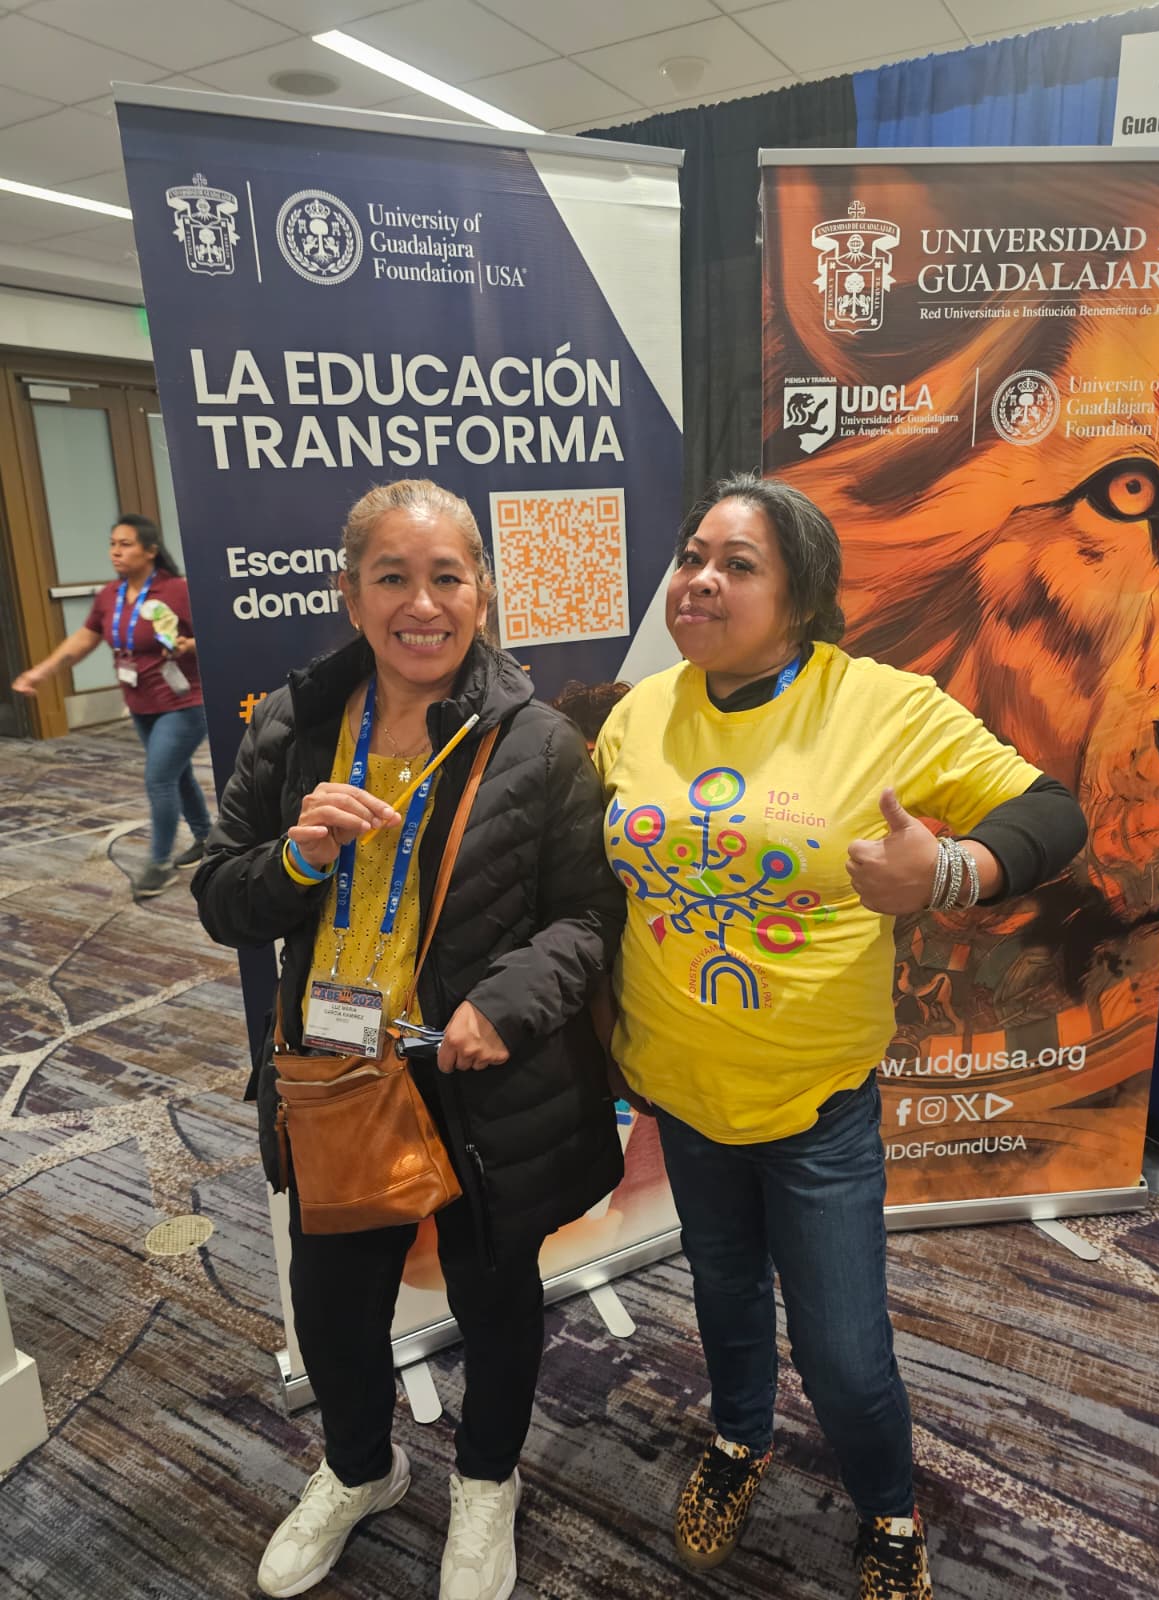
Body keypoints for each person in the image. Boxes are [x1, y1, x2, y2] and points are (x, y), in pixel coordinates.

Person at [593, 474, 1087, 1600]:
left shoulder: (878, 706)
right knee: (724, 1301)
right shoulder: (640, 710)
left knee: (847, 1357)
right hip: (680, 1092)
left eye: (737, 564)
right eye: (691, 556)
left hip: (815, 1108)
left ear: (804, 598)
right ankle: (739, 1440)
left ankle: (889, 1512)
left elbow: (1053, 810)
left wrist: (950, 871)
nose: (699, 580)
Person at [191, 478, 624, 1600]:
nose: (421, 604)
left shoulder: (538, 743)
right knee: (335, 1309)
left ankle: (486, 1483)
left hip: (479, 1083)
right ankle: (359, 1469)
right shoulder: (294, 727)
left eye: (446, 578)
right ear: (351, 594)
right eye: (393, 577)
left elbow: (588, 917)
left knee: (495, 1299)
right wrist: (296, 859)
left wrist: (505, 1005)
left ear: (483, 592)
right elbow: (221, 898)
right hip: (336, 1074)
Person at [14, 513, 211, 899]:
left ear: (150, 550)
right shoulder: (110, 595)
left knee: (159, 778)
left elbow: (217, 633)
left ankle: (158, 864)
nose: (115, 552)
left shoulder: (177, 590)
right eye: (112, 544)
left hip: (184, 702)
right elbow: (83, 641)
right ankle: (206, 837)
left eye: (125, 544)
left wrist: (188, 645)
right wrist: (40, 673)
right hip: (140, 703)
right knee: (176, 773)